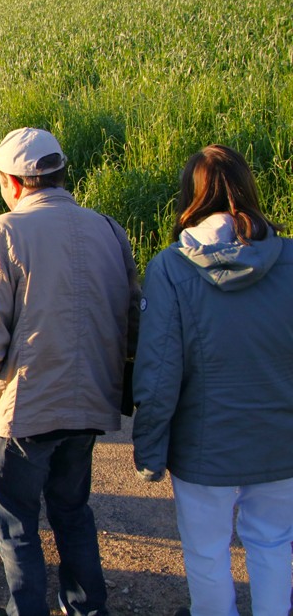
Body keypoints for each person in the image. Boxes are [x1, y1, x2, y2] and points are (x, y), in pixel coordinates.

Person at [0, 128, 141, 616]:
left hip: (26, 405)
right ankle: (87, 606)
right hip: (89, 404)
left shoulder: (2, 231)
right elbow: (131, 314)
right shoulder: (108, 227)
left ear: (15, 182)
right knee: (72, 509)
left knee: (17, 520)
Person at [131, 145, 293, 616]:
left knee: (206, 552)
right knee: (273, 543)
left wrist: (150, 448)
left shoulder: (171, 267)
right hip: (281, 441)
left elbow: (159, 373)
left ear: (191, 195)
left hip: (203, 446)